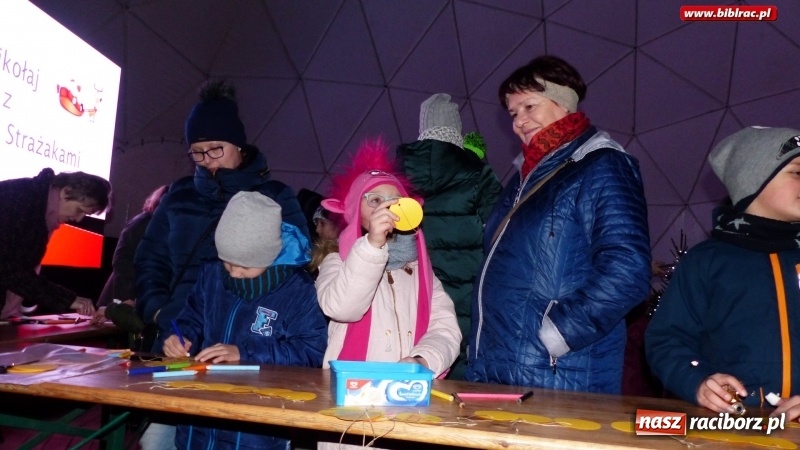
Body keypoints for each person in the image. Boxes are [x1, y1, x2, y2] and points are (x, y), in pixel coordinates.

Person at [464, 55, 651, 394]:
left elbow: (628, 270)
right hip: (501, 366)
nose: (520, 121)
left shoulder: (600, 166)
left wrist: (557, 333)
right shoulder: (526, 178)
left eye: (529, 106)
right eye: (513, 113)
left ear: (563, 104)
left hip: (559, 372)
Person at [135, 80, 309, 352]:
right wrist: (158, 312)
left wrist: (256, 338)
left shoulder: (276, 197)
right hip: (176, 336)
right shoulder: (179, 195)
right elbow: (150, 259)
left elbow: (295, 267)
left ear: (238, 145)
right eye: (197, 152)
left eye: (216, 148)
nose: (207, 160)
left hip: (243, 343)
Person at [646, 126, 800, 422]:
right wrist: (698, 381)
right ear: (753, 180)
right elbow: (667, 339)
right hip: (729, 427)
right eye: (797, 172)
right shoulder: (707, 262)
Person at [163, 191, 327, 448]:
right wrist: (181, 335)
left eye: (246, 266)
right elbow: (192, 315)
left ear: (270, 255)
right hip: (201, 415)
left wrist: (245, 352)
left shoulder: (298, 289)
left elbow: (311, 350)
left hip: (258, 425)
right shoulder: (212, 274)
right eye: (228, 263)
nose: (235, 273)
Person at [315, 138, 460, 374]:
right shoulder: (336, 261)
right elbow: (342, 308)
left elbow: (445, 327)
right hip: (355, 388)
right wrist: (372, 246)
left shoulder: (419, 269)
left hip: (408, 388)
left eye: (395, 201)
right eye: (374, 200)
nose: (387, 208)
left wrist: (423, 361)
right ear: (353, 210)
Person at [395, 93, 502, 380]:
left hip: (415, 293)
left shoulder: (397, 177)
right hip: (469, 297)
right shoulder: (478, 174)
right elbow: (501, 234)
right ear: (456, 132)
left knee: (418, 364)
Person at [0, 169, 111, 318]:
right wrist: (66, 299)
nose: (78, 219)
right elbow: (10, 270)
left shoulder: (36, 202)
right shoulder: (20, 200)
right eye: (79, 210)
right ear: (66, 192)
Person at [91, 185, 168, 330]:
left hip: (126, 295)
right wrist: (129, 297)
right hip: (124, 296)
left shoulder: (150, 222)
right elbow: (122, 261)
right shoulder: (146, 223)